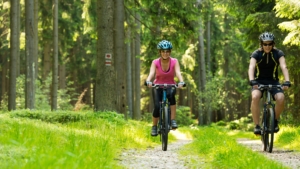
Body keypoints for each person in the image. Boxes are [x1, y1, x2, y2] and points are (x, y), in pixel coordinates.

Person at [248, 32, 291, 135]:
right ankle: (257, 125)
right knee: (255, 96)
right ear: (261, 44)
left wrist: (287, 81)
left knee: (280, 98)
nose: (267, 46)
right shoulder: (256, 54)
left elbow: (284, 66)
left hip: (273, 81)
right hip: (258, 81)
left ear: (273, 44)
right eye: (265, 44)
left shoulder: (278, 53)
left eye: (270, 44)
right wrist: (252, 80)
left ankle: (274, 121)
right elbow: (251, 67)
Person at [146, 40, 185, 136]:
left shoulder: (174, 61)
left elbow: (178, 73)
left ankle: (172, 120)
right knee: (157, 106)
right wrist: (148, 81)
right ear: (160, 52)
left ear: (170, 52)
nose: (165, 53)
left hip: (170, 85)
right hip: (157, 86)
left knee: (171, 98)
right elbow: (151, 73)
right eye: (163, 51)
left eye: (167, 51)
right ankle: (154, 126)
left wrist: (181, 81)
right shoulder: (155, 62)